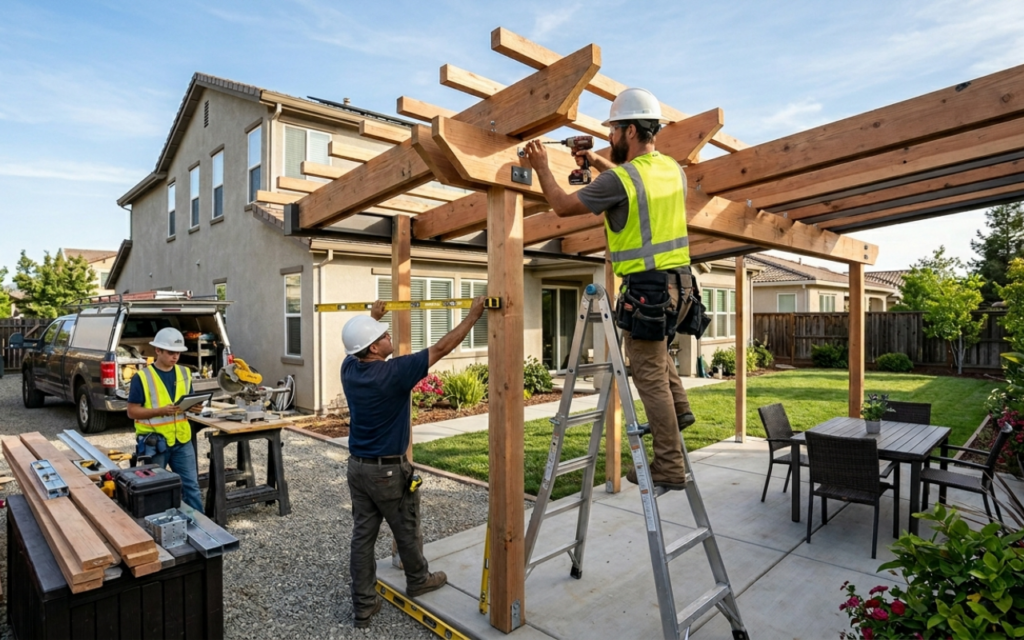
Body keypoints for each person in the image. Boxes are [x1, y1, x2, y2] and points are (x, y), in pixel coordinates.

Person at [523, 87, 695, 491]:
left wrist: (541, 166)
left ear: (630, 130)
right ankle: (680, 410)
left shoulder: (621, 178)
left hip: (647, 289)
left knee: (646, 370)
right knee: (658, 356)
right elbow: (629, 183)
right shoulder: (672, 169)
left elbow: (564, 207)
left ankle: (669, 466)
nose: (610, 138)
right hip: (681, 287)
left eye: (614, 130)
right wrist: (593, 161)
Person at [342, 296, 486, 628]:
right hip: (388, 471)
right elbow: (442, 348)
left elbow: (356, 346)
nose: (388, 334)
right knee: (405, 526)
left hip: (358, 468)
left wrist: (370, 318)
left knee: (362, 536)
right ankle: (418, 579)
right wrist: (473, 316)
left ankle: (363, 606)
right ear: (374, 350)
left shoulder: (349, 369)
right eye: (382, 335)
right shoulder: (393, 373)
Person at [125, 327, 205, 511]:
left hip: (182, 441)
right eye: (170, 352)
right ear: (158, 350)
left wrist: (195, 407)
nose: (175, 357)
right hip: (156, 444)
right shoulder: (142, 377)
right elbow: (132, 412)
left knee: (191, 487)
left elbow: (187, 401)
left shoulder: (185, 373)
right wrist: (159, 411)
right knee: (155, 489)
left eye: (178, 353)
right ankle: (157, 528)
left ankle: (201, 529)